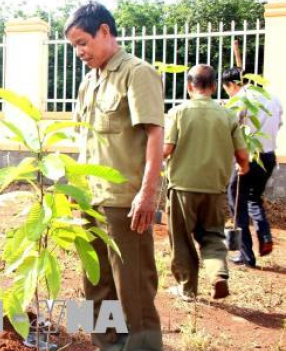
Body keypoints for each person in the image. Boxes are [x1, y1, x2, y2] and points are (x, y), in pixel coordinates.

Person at [66, 2, 164, 350]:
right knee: (95, 282)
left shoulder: (137, 73)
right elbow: (86, 141)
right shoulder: (89, 81)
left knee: (133, 290)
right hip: (90, 200)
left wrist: (148, 193)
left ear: (105, 32)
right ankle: (106, 345)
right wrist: (73, 186)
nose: (79, 52)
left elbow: (155, 134)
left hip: (125, 202)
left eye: (82, 42)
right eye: (74, 46)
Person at [164, 65, 250, 301]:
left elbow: (166, 148)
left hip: (182, 187)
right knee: (212, 235)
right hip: (215, 188)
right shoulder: (227, 115)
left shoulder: (178, 113)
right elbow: (243, 156)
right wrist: (243, 168)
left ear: (189, 86)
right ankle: (218, 273)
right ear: (213, 87)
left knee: (181, 239)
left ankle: (187, 287)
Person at [222, 67, 283, 268]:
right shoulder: (272, 98)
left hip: (246, 157)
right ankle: (264, 234)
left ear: (232, 84)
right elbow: (279, 124)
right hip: (268, 157)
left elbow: (231, 126)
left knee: (236, 202)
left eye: (227, 89)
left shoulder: (240, 99)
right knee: (253, 198)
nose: (229, 94)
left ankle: (246, 256)